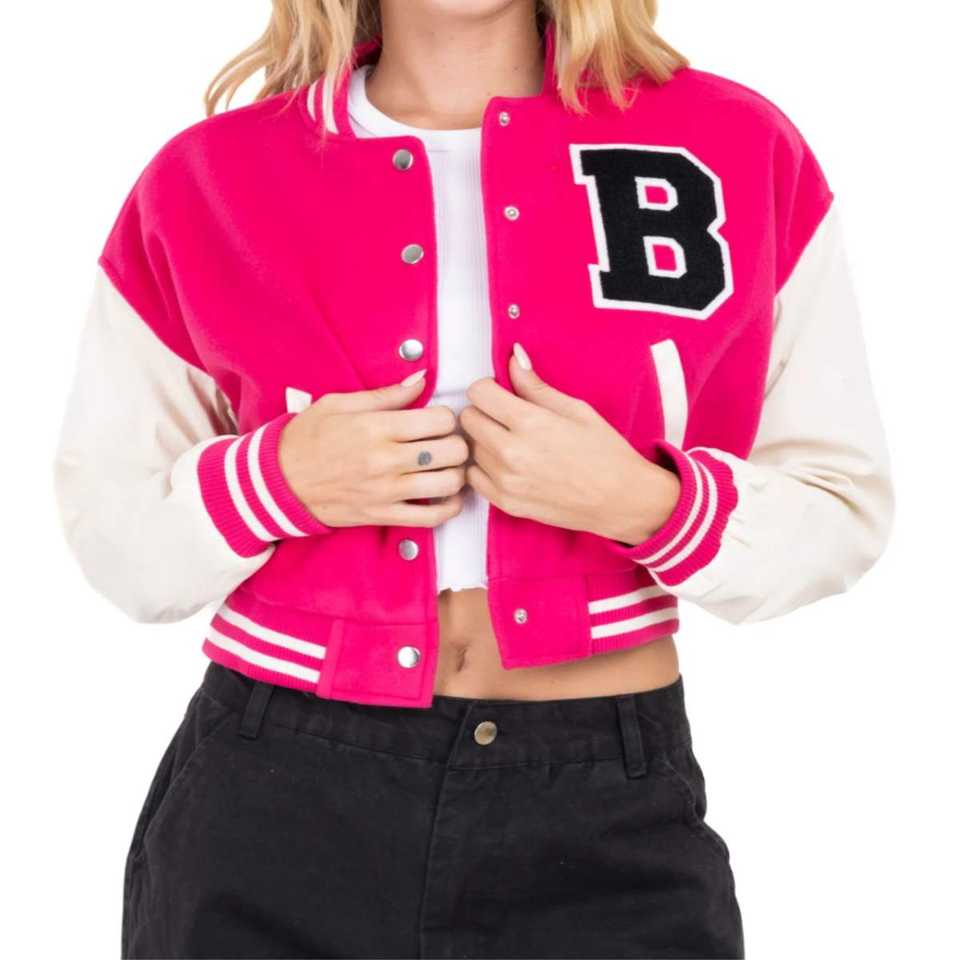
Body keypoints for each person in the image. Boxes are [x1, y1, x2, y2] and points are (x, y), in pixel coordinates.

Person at [52, 1, 894, 957]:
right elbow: (113, 532)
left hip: (607, 808)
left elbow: (840, 501)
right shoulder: (207, 176)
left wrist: (642, 501)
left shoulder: (737, 146)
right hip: (271, 801)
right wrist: (277, 480)